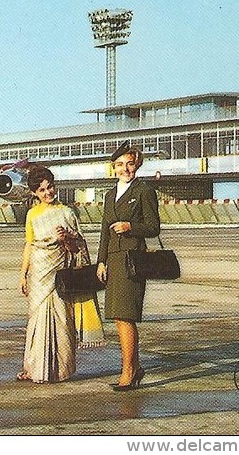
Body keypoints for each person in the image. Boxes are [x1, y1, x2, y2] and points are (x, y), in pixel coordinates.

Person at [17, 165, 103, 383]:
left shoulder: (67, 213)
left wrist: (66, 238)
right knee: (37, 319)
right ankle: (35, 368)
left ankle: (59, 370)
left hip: (59, 271)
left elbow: (79, 248)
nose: (48, 193)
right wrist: (23, 274)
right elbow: (29, 245)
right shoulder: (32, 215)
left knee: (62, 319)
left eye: (50, 187)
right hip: (38, 271)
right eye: (42, 190)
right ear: (35, 193)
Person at [97, 144, 160, 390]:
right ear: (113, 167)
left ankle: (129, 371)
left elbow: (154, 227)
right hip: (113, 260)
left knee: (126, 316)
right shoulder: (110, 194)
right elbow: (104, 232)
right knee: (118, 317)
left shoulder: (144, 191)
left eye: (130, 163)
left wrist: (130, 226)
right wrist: (101, 261)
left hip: (132, 260)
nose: (126, 168)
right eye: (120, 164)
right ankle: (134, 367)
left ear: (137, 165)